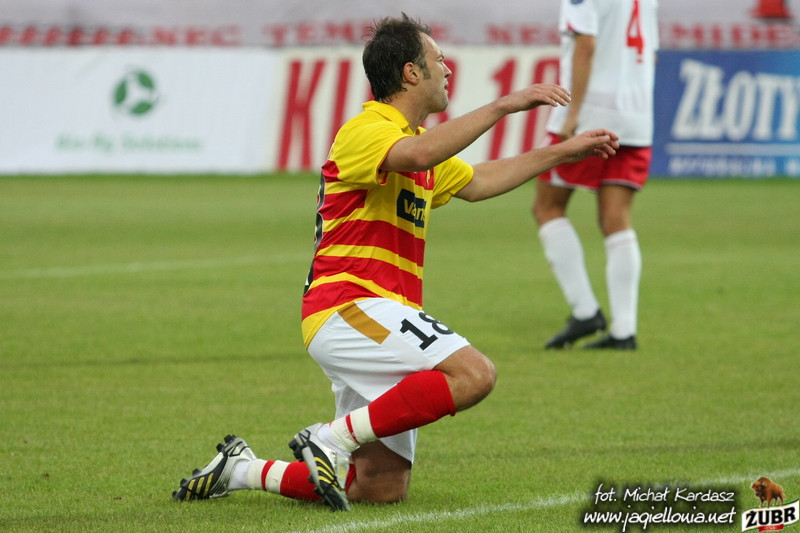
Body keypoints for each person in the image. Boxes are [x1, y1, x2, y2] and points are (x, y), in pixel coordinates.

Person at [172, 13, 618, 511]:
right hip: (348, 306)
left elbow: (479, 181)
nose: (447, 69)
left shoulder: (414, 140)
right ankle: (330, 437)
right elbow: (418, 155)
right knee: (474, 375)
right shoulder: (366, 130)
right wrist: (502, 105)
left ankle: (242, 469)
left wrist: (563, 152)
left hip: (384, 317)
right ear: (410, 72)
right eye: (438, 60)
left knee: (379, 488)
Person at [532, 0, 658, 350]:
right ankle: (623, 331)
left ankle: (585, 311)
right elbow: (651, 55)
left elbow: (586, 44)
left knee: (547, 206)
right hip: (637, 115)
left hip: (591, 113)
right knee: (617, 218)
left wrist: (572, 115)